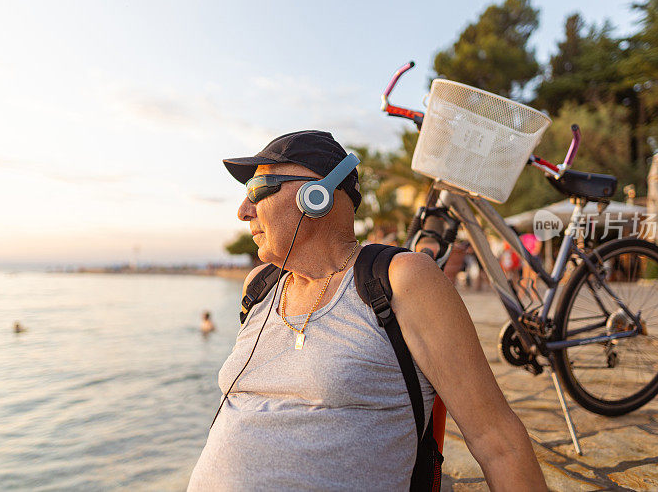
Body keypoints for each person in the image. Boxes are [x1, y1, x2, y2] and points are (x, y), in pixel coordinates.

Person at [188, 130, 546, 491]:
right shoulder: (258, 288)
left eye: (257, 190)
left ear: (317, 195)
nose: (242, 211)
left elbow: (497, 441)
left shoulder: (403, 280)